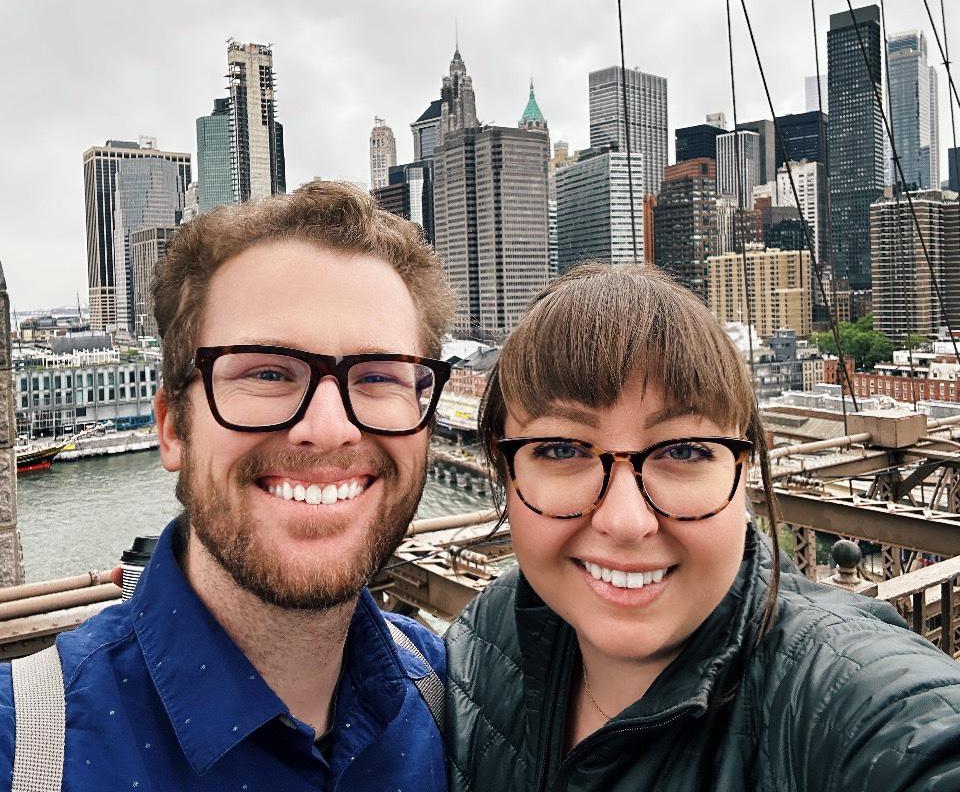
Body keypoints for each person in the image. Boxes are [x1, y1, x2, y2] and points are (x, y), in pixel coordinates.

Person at [0, 181, 455, 790]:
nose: (329, 429)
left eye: (378, 376)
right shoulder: (29, 746)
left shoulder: (451, 698)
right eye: (268, 372)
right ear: (172, 429)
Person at [445, 263, 960, 791]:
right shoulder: (487, 632)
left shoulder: (849, 695)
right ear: (503, 467)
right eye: (560, 449)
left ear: (746, 470)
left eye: (685, 450)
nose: (626, 522)